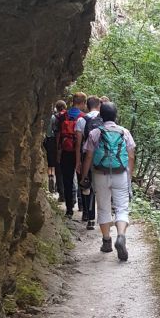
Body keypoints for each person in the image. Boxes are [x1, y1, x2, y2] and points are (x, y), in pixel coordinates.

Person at [81, 102, 136, 261]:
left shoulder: (95, 133)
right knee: (122, 208)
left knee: (104, 208)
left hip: (100, 174)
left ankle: (106, 242)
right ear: (116, 116)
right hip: (121, 174)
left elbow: (89, 156)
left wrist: (84, 175)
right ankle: (121, 236)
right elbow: (131, 156)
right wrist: (129, 176)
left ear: (101, 116)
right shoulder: (124, 132)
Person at [57, 92, 87, 217]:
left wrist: (58, 152)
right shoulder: (84, 117)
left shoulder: (63, 116)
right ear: (82, 103)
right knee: (82, 179)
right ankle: (83, 209)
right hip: (79, 152)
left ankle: (69, 209)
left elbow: (59, 135)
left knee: (67, 180)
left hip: (66, 151)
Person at [75, 96, 103, 229]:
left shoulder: (81, 120)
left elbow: (78, 144)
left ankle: (89, 217)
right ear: (99, 105)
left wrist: (78, 162)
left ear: (87, 105)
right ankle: (104, 219)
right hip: (103, 157)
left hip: (87, 156)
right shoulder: (104, 118)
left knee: (87, 186)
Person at [43, 100, 65, 193]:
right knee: (58, 164)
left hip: (50, 141)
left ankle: (50, 176)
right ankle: (58, 185)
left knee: (50, 163)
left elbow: (48, 132)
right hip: (60, 142)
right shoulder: (65, 117)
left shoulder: (52, 117)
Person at [52, 100, 67, 202]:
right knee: (70, 172)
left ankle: (62, 195)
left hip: (59, 146)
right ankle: (72, 195)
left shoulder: (55, 118)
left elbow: (54, 133)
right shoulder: (69, 116)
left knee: (59, 171)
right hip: (70, 146)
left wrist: (56, 149)